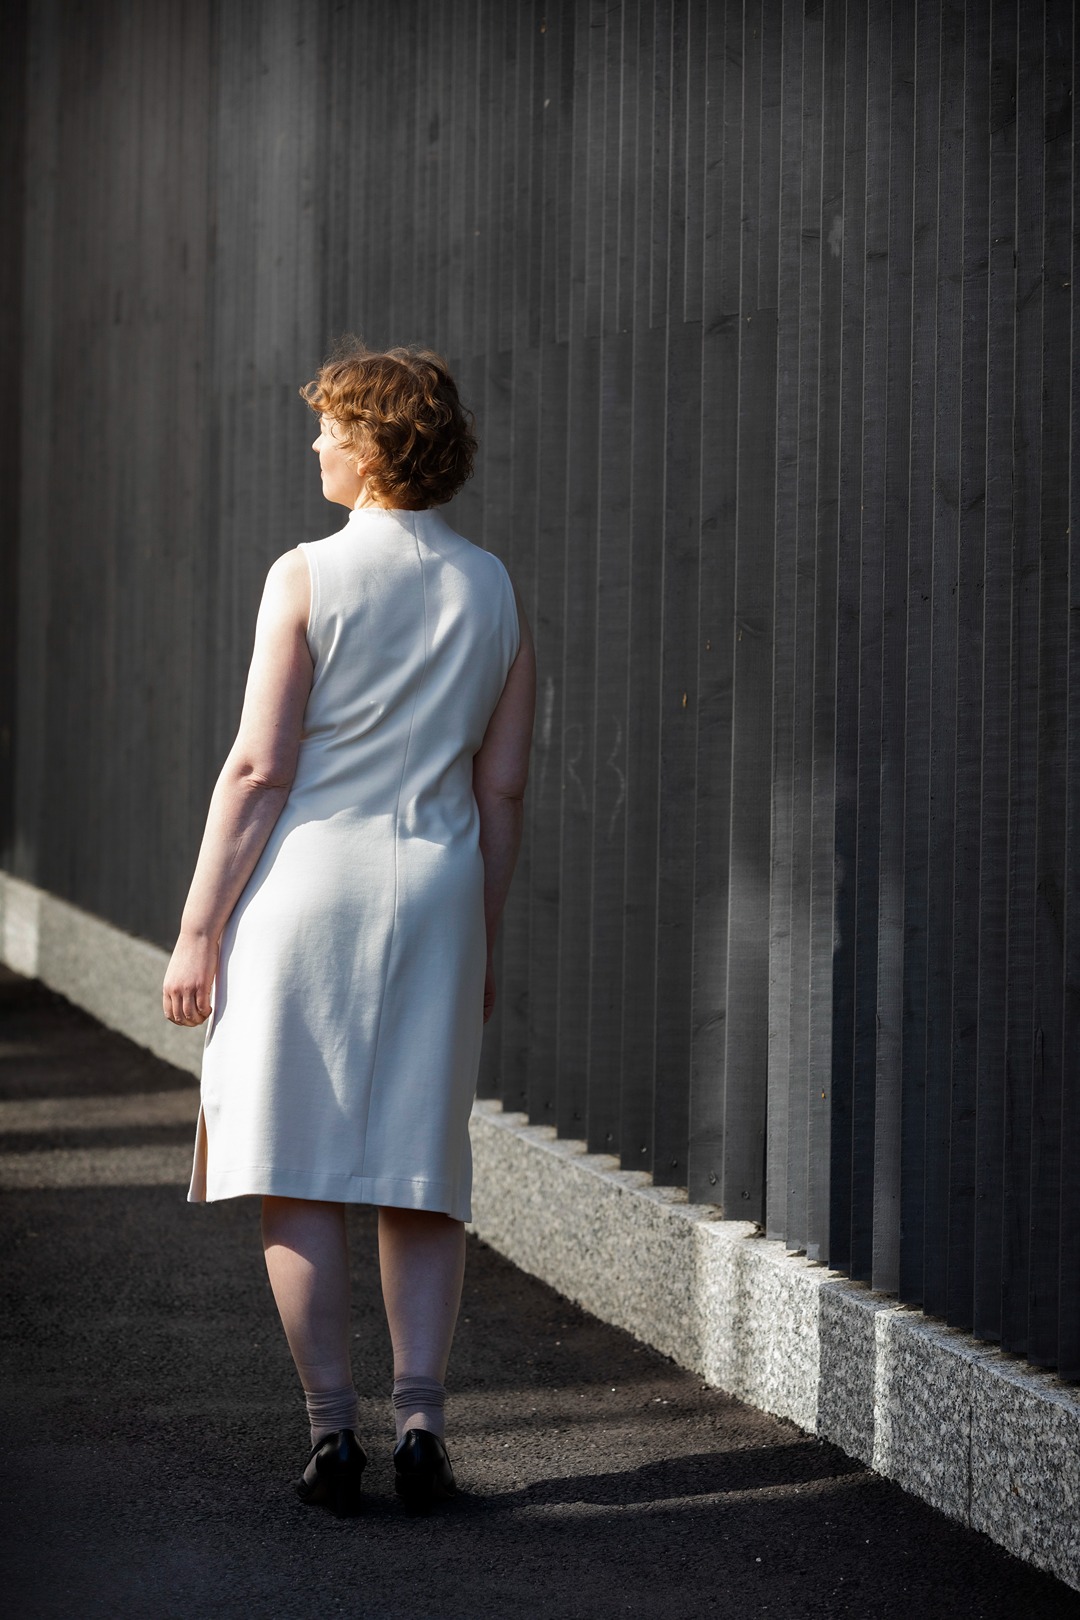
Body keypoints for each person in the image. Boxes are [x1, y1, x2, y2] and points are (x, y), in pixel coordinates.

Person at [162, 343, 536, 1515]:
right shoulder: (494, 588)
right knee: (422, 1170)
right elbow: (503, 788)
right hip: (439, 892)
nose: (317, 441)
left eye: (332, 426)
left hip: (308, 891)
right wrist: (482, 933)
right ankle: (422, 1424)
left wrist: (197, 928)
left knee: (298, 1163)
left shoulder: (307, 575)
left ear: (375, 448)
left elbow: (259, 768)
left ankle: (334, 1436)